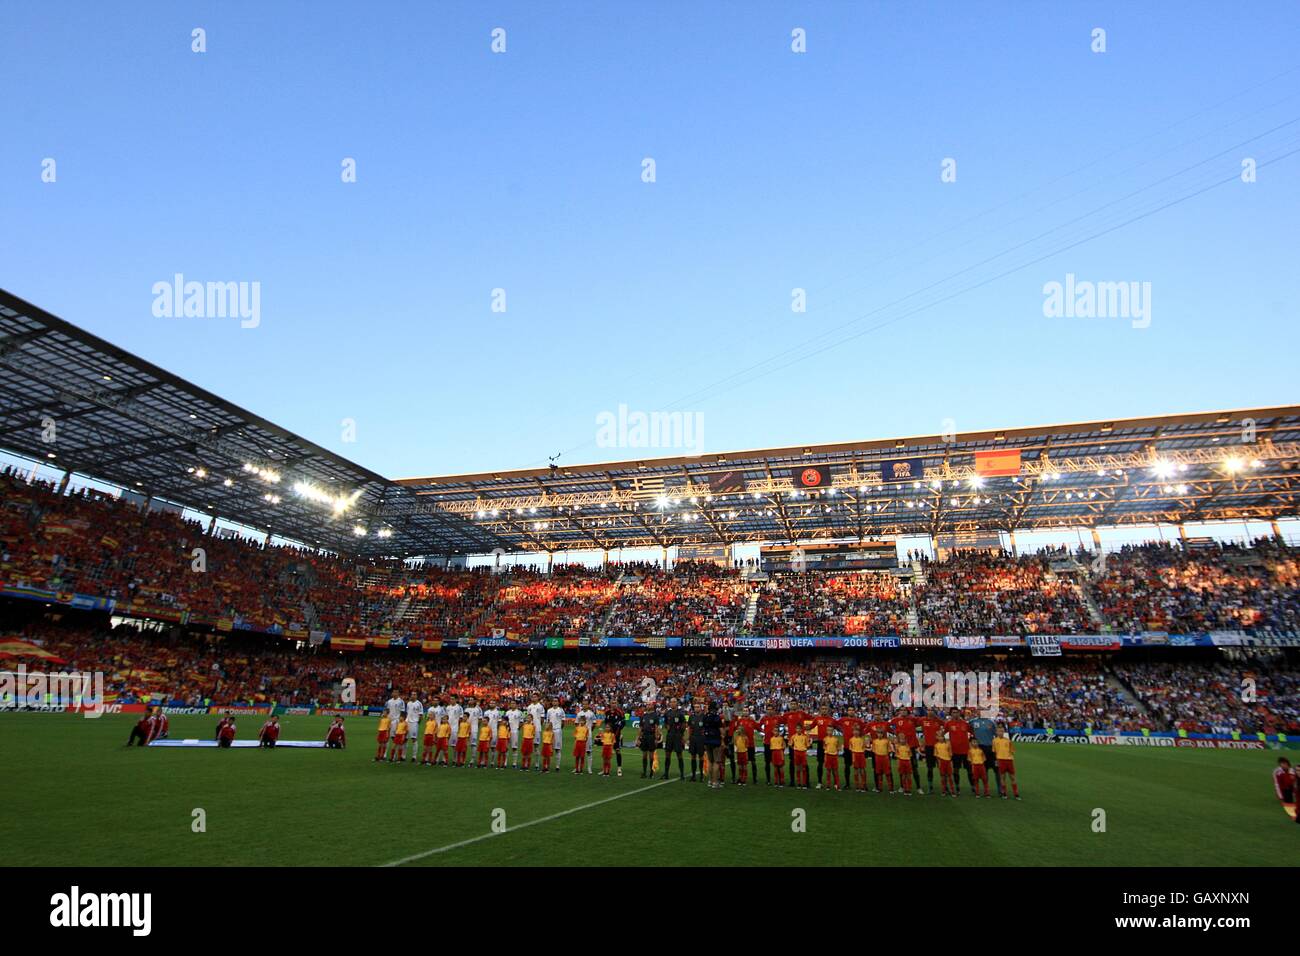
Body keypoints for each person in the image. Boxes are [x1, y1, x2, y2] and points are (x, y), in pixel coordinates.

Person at [968, 711, 999, 795]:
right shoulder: (973, 721)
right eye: (980, 711)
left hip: (991, 749)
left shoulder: (991, 722)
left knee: (997, 769)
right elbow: (966, 728)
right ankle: (985, 789)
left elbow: (997, 735)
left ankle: (1000, 789)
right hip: (980, 749)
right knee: (984, 770)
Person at [945, 711, 973, 794]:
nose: (955, 714)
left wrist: (972, 742)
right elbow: (942, 733)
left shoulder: (965, 723)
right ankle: (957, 787)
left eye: (956, 712)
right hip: (955, 751)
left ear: (959, 714)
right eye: (953, 713)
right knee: (956, 770)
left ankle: (973, 787)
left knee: (970, 770)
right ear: (951, 714)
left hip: (966, 751)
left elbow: (972, 733)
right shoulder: (948, 723)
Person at [701, 700, 725, 790]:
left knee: (710, 761)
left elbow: (703, 729)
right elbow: (721, 730)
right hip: (715, 741)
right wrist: (723, 737)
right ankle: (715, 782)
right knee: (716, 762)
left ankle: (710, 781)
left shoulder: (705, 717)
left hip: (707, 740)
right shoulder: (717, 717)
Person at [660, 697, 687, 781]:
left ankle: (682, 774)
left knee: (679, 754)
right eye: (671, 702)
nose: (672, 703)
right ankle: (666, 773)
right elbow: (665, 722)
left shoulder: (681, 713)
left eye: (674, 702)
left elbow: (684, 724)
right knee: (667, 754)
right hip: (670, 736)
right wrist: (666, 726)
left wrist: (681, 733)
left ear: (677, 703)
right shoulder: (667, 713)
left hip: (678, 736)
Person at [991, 725, 1020, 800]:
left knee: (1012, 777)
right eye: (999, 731)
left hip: (1009, 760)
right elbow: (994, 752)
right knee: (1002, 777)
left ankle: (1016, 794)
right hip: (1000, 760)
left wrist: (1010, 756)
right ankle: (1004, 793)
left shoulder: (1008, 740)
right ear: (996, 732)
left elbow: (1012, 750)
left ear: (1004, 732)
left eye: (1002, 731)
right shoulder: (994, 741)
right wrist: (996, 761)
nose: (1001, 733)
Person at [920, 708, 943, 795]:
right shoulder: (922, 720)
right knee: (930, 768)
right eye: (929, 710)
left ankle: (945, 787)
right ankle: (930, 787)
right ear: (926, 711)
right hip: (929, 747)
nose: (930, 712)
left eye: (932, 710)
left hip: (938, 747)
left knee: (942, 767)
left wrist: (941, 735)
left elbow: (946, 726)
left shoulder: (938, 721)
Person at [638, 710, 660, 778]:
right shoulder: (643, 716)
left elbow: (656, 727)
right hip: (644, 736)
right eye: (647, 704)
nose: (648, 705)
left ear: (652, 706)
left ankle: (651, 772)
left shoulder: (655, 716)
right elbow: (640, 727)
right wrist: (638, 738)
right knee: (644, 755)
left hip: (651, 736)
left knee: (651, 756)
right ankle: (644, 772)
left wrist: (656, 738)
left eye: (649, 704)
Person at [871, 729, 894, 794]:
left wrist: (887, 756)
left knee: (888, 773)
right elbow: (873, 750)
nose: (879, 735)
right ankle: (879, 788)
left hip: (885, 758)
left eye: (881, 733)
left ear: (883, 734)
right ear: (876, 734)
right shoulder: (874, 741)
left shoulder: (886, 741)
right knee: (879, 773)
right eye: (878, 733)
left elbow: (889, 750)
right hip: (878, 758)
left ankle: (890, 788)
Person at [404, 695, 424, 763]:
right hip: (407, 722)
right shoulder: (408, 703)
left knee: (414, 739)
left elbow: (421, 715)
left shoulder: (419, 703)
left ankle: (414, 756)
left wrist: (417, 723)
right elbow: (407, 713)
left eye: (415, 695)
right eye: (412, 694)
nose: (413, 696)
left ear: (416, 696)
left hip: (414, 723)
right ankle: (403, 756)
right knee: (405, 739)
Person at [935, 732, 955, 796]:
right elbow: (936, 756)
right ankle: (943, 791)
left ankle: (952, 791)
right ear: (937, 737)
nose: (940, 738)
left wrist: (951, 762)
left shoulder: (948, 744)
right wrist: (939, 763)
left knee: (950, 777)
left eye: (942, 736)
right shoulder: (936, 745)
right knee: (943, 777)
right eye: (939, 736)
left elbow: (951, 754)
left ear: (944, 737)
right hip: (941, 762)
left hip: (948, 761)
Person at [791, 723, 810, 789]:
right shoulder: (793, 736)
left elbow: (808, 745)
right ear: (795, 729)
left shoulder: (805, 737)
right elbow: (790, 744)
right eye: (797, 728)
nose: (798, 730)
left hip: (803, 753)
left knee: (804, 768)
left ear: (802, 729)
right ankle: (798, 783)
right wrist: (795, 748)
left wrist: (804, 749)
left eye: (799, 728)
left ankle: (804, 783)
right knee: (798, 768)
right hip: (796, 753)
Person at [849, 727, 868, 792]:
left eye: (857, 731)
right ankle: (857, 786)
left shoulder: (862, 740)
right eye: (854, 731)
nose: (856, 732)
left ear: (859, 732)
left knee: (862, 769)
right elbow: (850, 748)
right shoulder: (851, 739)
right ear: (853, 732)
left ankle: (863, 785)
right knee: (856, 769)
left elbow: (864, 747)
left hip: (861, 755)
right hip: (855, 754)